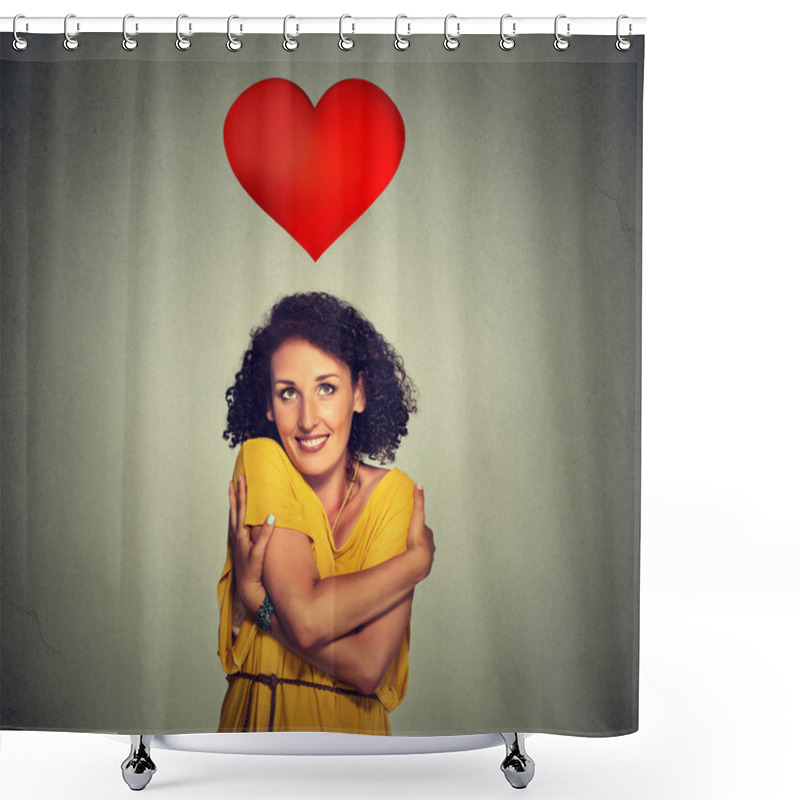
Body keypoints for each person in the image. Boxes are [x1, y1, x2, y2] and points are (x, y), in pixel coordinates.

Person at [217, 292, 434, 734]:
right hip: (261, 735)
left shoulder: (395, 497)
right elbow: (308, 619)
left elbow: (369, 666)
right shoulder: (261, 461)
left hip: (357, 749)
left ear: (359, 393)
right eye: (288, 393)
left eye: (326, 388)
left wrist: (258, 600)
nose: (308, 419)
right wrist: (414, 565)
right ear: (267, 404)